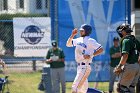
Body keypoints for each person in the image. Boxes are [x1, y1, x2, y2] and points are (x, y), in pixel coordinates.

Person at [66, 24, 103, 93]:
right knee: (83, 90)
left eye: (82, 31)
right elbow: (68, 44)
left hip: (85, 66)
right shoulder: (78, 39)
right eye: (80, 31)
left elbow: (101, 49)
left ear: (87, 31)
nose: (80, 32)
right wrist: (72, 35)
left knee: (75, 88)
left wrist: (91, 55)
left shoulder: (90, 40)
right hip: (79, 67)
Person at [114, 23, 140, 93]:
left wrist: (119, 66)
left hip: (129, 66)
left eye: (121, 30)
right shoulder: (135, 40)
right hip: (137, 67)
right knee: (131, 88)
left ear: (124, 31)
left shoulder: (126, 40)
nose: (120, 32)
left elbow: (125, 56)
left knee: (121, 88)